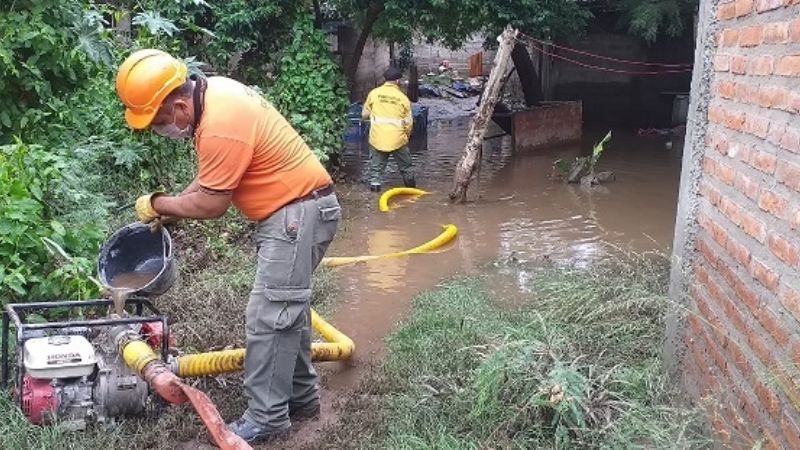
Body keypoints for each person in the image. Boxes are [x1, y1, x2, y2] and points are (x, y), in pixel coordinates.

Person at [115, 49, 340, 444]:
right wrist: (168, 210)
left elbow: (213, 204)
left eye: (160, 122)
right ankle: (302, 399)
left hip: (296, 215)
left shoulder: (220, 124)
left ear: (181, 104)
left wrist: (158, 203)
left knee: (269, 318)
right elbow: (206, 183)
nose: (161, 130)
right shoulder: (215, 95)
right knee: (288, 312)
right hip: (295, 213)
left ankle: (267, 418)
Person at [361, 66, 415, 192]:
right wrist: (406, 136)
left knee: (375, 171)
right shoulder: (403, 98)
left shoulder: (373, 94)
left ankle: (374, 194)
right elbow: (409, 123)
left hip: (377, 138)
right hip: (398, 139)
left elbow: (364, 115)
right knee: (406, 168)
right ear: (397, 81)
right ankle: (412, 192)